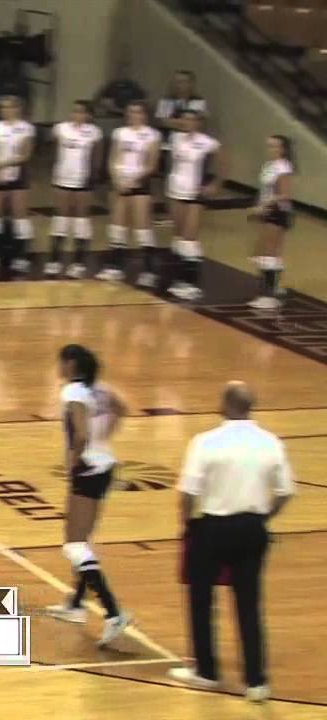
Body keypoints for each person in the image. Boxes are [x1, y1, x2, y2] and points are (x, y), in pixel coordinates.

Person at [167, 381, 296, 703]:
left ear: (224, 405)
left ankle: (207, 671)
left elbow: (188, 492)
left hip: (212, 527)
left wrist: (187, 524)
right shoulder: (270, 442)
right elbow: (286, 491)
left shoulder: (206, 441)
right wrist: (264, 517)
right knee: (249, 603)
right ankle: (256, 681)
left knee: (201, 599)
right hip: (252, 528)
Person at [44, 345, 134, 647]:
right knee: (84, 540)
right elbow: (122, 408)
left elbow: (80, 433)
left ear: (71, 365)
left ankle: (113, 613)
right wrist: (104, 437)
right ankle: (75, 605)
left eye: (61, 362)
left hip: (88, 470)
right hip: (104, 466)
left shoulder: (73, 392)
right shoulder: (100, 388)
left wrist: (74, 460)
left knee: (74, 544)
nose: (59, 367)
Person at [165, 110, 227, 302]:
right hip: (176, 192)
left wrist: (215, 184)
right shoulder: (175, 138)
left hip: (195, 194)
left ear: (199, 123)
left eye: (192, 119)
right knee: (178, 238)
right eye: (185, 119)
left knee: (189, 239)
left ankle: (193, 284)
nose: (187, 122)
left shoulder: (206, 142)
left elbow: (224, 162)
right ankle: (179, 279)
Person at [97, 101, 161, 284]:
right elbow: (112, 159)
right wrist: (116, 180)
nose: (133, 115)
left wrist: (133, 180)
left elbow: (152, 165)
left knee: (142, 228)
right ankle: (115, 267)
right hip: (119, 185)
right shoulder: (120, 133)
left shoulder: (152, 135)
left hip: (139, 185)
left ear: (144, 114)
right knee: (117, 227)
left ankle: (149, 271)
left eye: (137, 112)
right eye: (130, 112)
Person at [0, 95, 35, 274]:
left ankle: (21, 257)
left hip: (17, 176)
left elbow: (26, 154)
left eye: (9, 107)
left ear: (18, 109)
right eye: (2, 107)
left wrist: (2, 164)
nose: (5, 110)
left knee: (19, 215)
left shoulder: (26, 128)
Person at [47, 100, 103, 278]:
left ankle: (78, 262)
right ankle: (55, 259)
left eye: (81, 112)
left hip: (83, 181)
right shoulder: (61, 129)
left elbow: (97, 158)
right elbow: (52, 150)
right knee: (60, 218)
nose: (77, 115)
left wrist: (93, 178)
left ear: (88, 115)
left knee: (81, 221)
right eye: (74, 111)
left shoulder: (94, 132)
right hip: (62, 178)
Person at [247, 135, 295, 310]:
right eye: (270, 146)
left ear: (283, 149)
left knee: (269, 253)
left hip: (277, 212)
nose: (271, 149)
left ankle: (268, 298)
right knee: (263, 252)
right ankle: (273, 288)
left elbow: (285, 194)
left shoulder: (284, 167)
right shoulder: (269, 165)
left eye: (275, 146)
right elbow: (264, 190)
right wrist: (258, 206)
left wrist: (265, 205)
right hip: (267, 211)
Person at [155, 70, 208, 136]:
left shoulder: (198, 101)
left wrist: (174, 122)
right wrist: (188, 123)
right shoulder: (167, 100)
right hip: (169, 137)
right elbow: (163, 122)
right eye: (176, 81)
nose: (178, 85)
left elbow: (200, 124)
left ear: (190, 84)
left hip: (191, 138)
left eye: (182, 81)